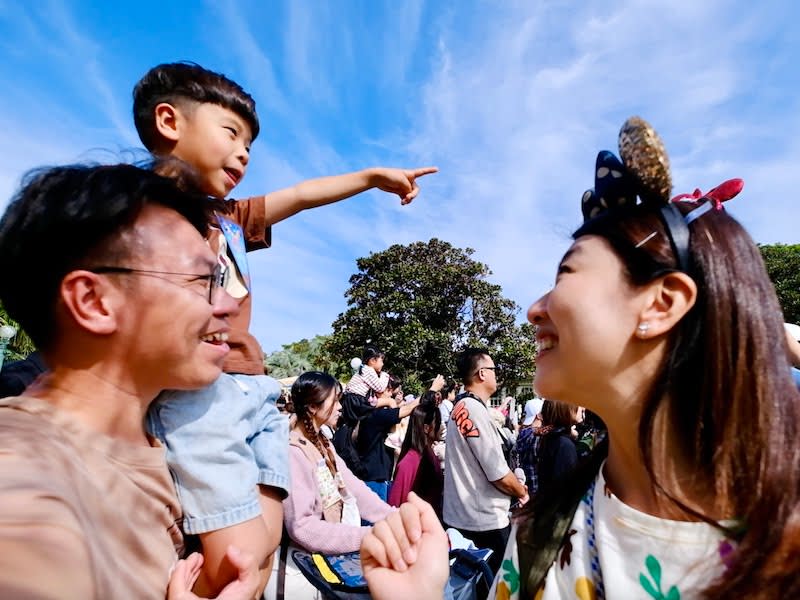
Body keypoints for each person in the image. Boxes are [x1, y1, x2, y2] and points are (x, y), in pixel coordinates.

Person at [133, 62, 437, 594]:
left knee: (263, 546)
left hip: (254, 388)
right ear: (169, 122)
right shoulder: (141, 213)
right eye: (230, 133)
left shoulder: (230, 216)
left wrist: (370, 178)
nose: (244, 152)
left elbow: (302, 194)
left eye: (250, 142)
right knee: (230, 555)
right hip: (198, 391)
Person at [488, 118, 800, 599]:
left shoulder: (783, 545)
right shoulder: (541, 530)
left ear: (660, 303)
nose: (535, 308)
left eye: (567, 272)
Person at [0, 163, 259, 598]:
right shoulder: (25, 490)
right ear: (94, 301)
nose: (231, 305)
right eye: (204, 280)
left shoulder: (157, 447)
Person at [442, 348, 528, 575]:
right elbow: (498, 473)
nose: (495, 374)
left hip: (465, 517)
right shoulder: (472, 410)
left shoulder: (463, 407)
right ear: (481, 373)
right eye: (493, 369)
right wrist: (521, 492)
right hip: (483, 522)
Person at [356, 376, 420, 501]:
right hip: (374, 479)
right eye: (388, 390)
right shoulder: (376, 415)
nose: (391, 394)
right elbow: (406, 410)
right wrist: (432, 390)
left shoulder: (371, 414)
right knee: (376, 519)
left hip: (377, 476)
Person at [387, 400, 444, 515]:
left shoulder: (430, 455)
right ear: (427, 428)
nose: (442, 427)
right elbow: (395, 506)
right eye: (438, 422)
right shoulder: (409, 463)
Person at [530, 399, 582, 494]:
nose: (582, 408)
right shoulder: (564, 444)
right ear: (567, 409)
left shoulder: (551, 437)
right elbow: (564, 486)